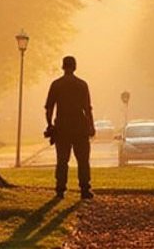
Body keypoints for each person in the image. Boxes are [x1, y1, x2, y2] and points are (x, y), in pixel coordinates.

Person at [44, 55, 95, 199]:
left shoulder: (56, 84)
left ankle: (60, 189)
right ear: (75, 67)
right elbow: (87, 108)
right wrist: (91, 125)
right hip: (80, 126)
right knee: (83, 160)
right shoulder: (82, 85)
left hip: (62, 127)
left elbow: (49, 108)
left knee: (62, 160)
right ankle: (85, 188)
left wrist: (50, 125)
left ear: (63, 66)